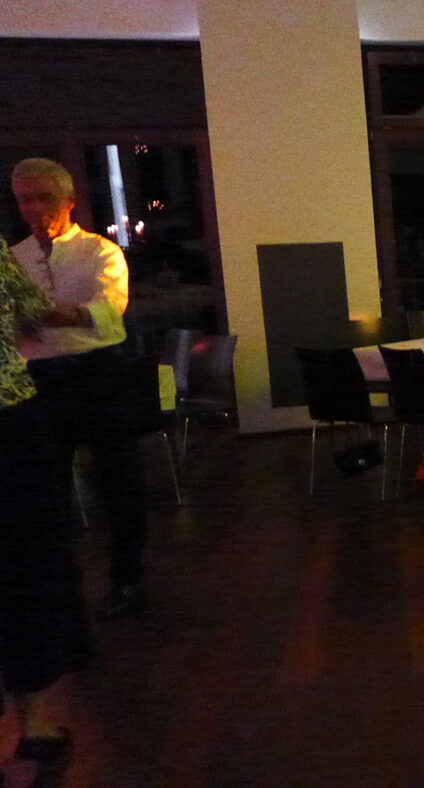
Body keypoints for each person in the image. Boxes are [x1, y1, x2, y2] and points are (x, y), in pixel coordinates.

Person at [11, 157, 149, 621]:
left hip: (99, 375)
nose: (33, 208)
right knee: (45, 491)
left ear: (69, 200)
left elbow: (109, 309)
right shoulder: (14, 259)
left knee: (119, 482)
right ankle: (58, 591)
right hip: (40, 379)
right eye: (24, 199)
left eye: (43, 197)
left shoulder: (100, 252)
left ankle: (128, 582)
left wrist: (53, 316)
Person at [0, 236, 92, 769]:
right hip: (8, 417)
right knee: (24, 568)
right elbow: (34, 311)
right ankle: (31, 723)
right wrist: (91, 315)